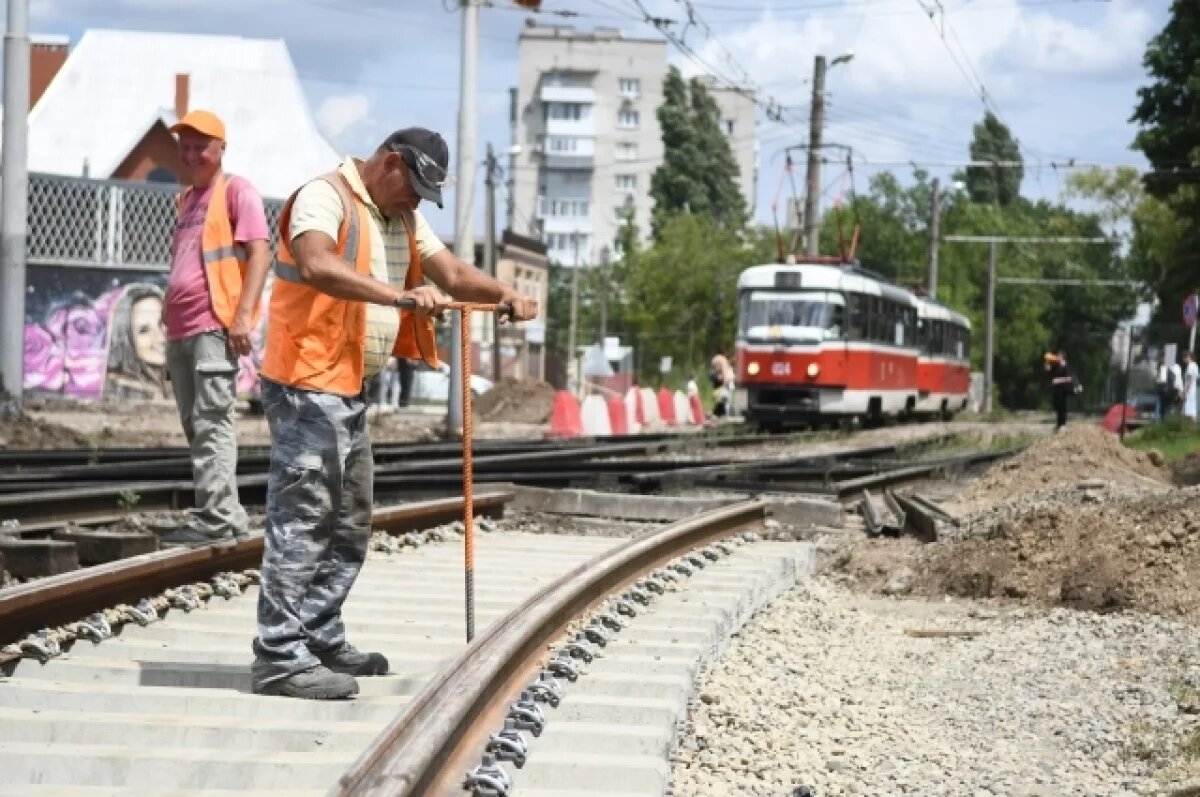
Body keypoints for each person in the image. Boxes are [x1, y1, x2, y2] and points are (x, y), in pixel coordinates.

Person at [252, 127, 538, 700]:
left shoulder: (400, 216)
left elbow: (452, 275)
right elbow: (315, 263)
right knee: (305, 517)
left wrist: (503, 293)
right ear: (388, 164)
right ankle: (280, 656)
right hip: (307, 383)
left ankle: (318, 634)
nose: (416, 202)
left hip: (350, 386)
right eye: (413, 188)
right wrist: (397, 296)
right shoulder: (324, 197)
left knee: (351, 519)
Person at [160, 110, 271, 547]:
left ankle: (219, 516)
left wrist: (243, 316)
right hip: (182, 329)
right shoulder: (187, 200)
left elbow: (260, 255)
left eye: (200, 146)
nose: (192, 154)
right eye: (185, 147)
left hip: (213, 323)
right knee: (195, 423)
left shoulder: (236, 191)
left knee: (212, 421)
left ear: (221, 148)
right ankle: (221, 511)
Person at [104, 283, 168, 400]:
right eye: (144, 330)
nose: (160, 337)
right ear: (126, 339)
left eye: (163, 322)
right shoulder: (118, 388)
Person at [1047, 350, 1077, 432]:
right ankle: (1058, 424)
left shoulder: (1066, 366)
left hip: (1064, 389)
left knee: (1062, 407)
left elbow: (1070, 378)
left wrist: (1058, 380)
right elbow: (1050, 375)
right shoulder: (1056, 366)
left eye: (1059, 356)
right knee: (1057, 407)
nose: (1057, 357)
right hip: (1057, 390)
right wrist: (1048, 367)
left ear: (1063, 357)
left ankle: (1063, 424)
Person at [1183, 350, 1198, 422]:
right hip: (1193, 390)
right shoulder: (1195, 365)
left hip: (1189, 391)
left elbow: (1189, 381)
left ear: (1190, 357)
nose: (1184, 359)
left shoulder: (1190, 366)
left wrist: (1185, 392)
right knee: (1192, 410)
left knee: (1189, 411)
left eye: (1186, 357)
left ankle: (1191, 427)